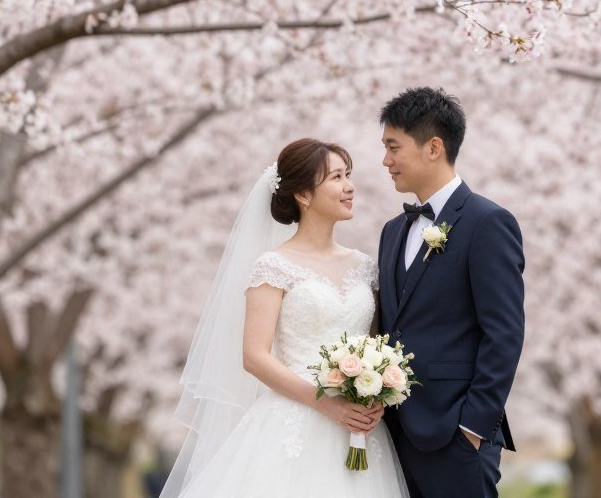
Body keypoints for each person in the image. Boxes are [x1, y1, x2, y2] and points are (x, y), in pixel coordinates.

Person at [160, 138, 408, 498]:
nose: (350, 186)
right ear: (304, 195)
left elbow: (375, 344)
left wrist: (375, 397)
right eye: (337, 177)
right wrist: (326, 403)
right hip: (294, 421)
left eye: (349, 175)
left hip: (360, 431)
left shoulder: (367, 267)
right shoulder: (273, 266)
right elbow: (255, 356)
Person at [378, 87, 526, 498]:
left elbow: (505, 333)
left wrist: (473, 429)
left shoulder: (488, 222)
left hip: (456, 437)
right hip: (392, 436)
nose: (385, 161)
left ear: (433, 147)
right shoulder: (392, 232)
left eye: (394, 147)